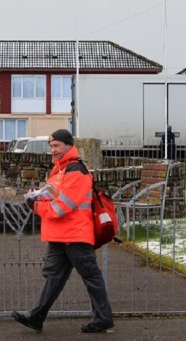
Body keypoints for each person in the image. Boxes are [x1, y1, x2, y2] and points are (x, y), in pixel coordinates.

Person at [12, 129, 114, 333]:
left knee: (90, 276)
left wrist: (35, 206)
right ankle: (36, 316)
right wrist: (37, 196)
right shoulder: (60, 170)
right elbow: (54, 199)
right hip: (61, 235)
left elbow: (61, 208)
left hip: (75, 235)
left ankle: (103, 318)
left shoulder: (76, 171)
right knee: (55, 277)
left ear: (69, 145)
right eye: (51, 146)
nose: (53, 150)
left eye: (56, 145)